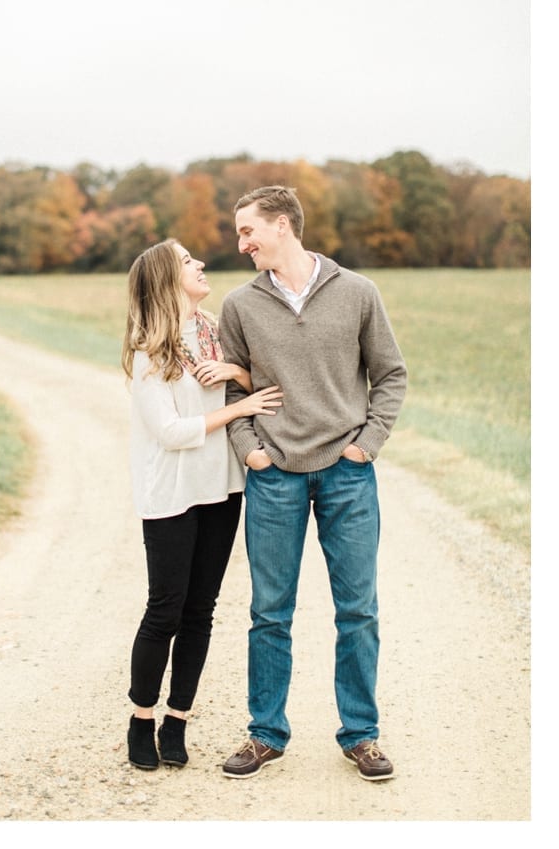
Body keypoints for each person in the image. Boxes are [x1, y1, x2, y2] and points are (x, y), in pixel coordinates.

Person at [217, 185, 407, 781]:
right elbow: (232, 390)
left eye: (249, 231)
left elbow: (391, 375)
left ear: (282, 226)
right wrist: (251, 453)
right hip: (275, 477)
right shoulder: (240, 304)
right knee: (270, 612)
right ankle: (265, 734)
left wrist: (365, 446)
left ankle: (361, 735)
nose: (241, 242)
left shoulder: (356, 293)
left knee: (358, 610)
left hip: (347, 475)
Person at [120, 239, 283, 770]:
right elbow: (169, 431)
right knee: (165, 608)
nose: (201, 265)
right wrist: (238, 413)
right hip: (171, 492)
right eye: (189, 262)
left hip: (223, 488)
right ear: (168, 278)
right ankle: (141, 718)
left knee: (201, 612)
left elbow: (266, 387)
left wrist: (237, 379)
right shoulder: (149, 350)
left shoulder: (217, 332)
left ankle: (177, 720)